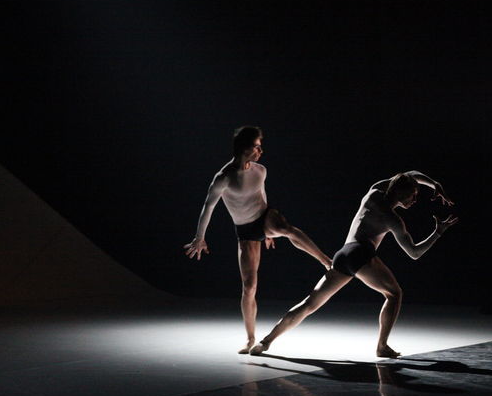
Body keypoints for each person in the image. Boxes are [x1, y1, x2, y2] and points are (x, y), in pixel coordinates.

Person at [250, 171, 458, 358]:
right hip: (361, 253)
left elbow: (409, 174)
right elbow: (414, 253)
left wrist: (434, 183)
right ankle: (382, 346)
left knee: (309, 304)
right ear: (400, 192)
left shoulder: (374, 192)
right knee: (394, 294)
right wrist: (438, 233)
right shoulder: (393, 219)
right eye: (412, 195)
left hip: (343, 254)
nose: (414, 200)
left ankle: (265, 342)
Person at [183, 126, 332, 354]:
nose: (261, 151)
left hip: (265, 217)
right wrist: (200, 237)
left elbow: (262, 195)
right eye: (257, 147)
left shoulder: (260, 170)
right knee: (249, 286)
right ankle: (250, 338)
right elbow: (208, 207)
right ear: (244, 148)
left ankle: (326, 261)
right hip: (246, 230)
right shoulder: (224, 177)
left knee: (285, 228)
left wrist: (269, 230)